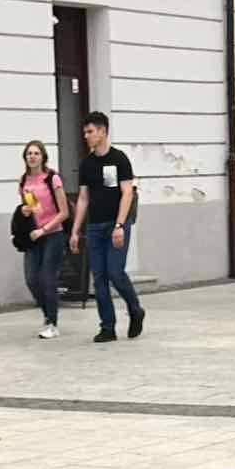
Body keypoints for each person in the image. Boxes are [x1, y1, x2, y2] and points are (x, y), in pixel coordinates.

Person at [68, 111, 145, 343]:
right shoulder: (86, 164)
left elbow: (127, 193)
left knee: (115, 272)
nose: (86, 136)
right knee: (99, 276)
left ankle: (135, 309)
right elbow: (83, 198)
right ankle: (108, 327)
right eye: (85, 132)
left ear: (103, 131)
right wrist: (75, 230)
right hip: (94, 227)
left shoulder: (119, 159)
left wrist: (120, 225)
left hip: (116, 224)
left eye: (90, 131)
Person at [18, 140, 68, 339]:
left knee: (47, 278)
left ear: (43, 156)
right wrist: (24, 210)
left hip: (53, 234)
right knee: (31, 279)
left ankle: (52, 323)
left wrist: (45, 229)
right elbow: (30, 209)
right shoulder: (24, 181)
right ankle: (47, 314)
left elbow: (64, 212)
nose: (32, 156)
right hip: (34, 235)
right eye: (29, 153)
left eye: (36, 153)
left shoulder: (52, 179)